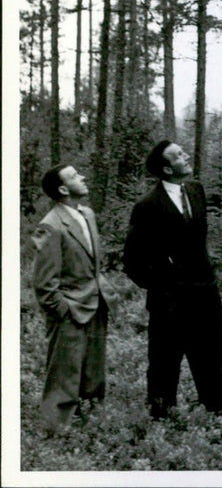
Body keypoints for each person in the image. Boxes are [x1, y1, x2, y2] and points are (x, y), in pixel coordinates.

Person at [123, 140, 222, 419]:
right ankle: (161, 414)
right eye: (179, 155)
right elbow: (132, 261)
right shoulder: (147, 205)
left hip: (205, 294)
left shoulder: (196, 191)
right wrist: (163, 286)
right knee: (164, 360)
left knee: (213, 354)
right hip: (168, 301)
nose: (186, 157)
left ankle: (217, 409)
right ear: (167, 168)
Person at [31, 163, 116, 434]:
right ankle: (55, 430)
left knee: (94, 371)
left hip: (96, 302)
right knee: (63, 376)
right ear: (64, 189)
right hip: (70, 310)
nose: (83, 176)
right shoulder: (50, 225)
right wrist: (63, 311)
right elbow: (45, 284)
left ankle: (91, 425)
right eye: (74, 176)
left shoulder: (87, 214)